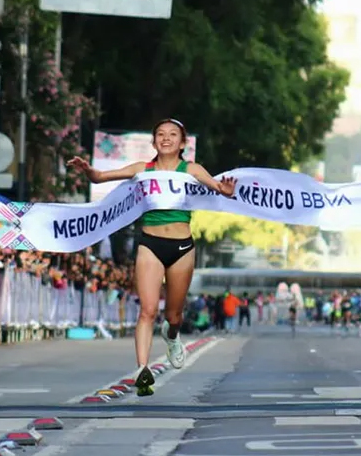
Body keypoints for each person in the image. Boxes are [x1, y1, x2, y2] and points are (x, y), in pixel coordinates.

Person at [68, 118, 236, 396]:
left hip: (182, 246)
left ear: (183, 144)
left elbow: (218, 188)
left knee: (174, 314)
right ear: (154, 141)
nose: (166, 138)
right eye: (160, 134)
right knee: (147, 310)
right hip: (150, 244)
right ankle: (142, 370)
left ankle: (172, 336)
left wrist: (226, 190)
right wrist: (88, 170)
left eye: (173, 135)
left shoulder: (191, 169)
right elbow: (100, 177)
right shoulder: (142, 169)